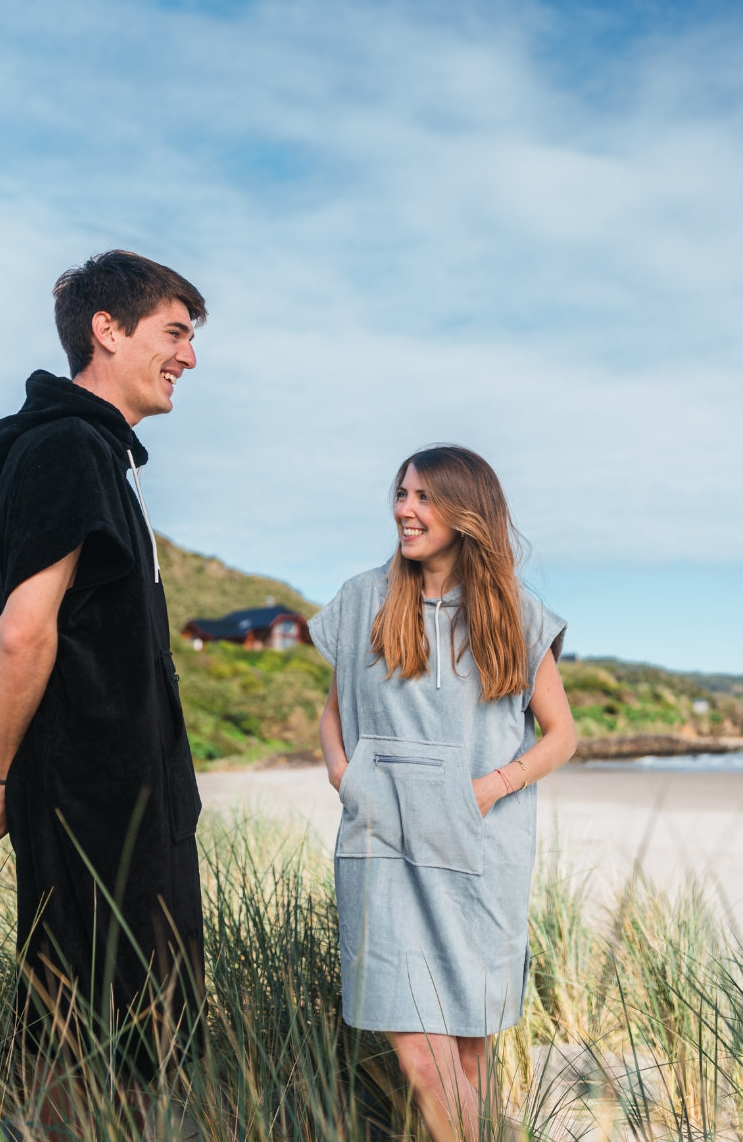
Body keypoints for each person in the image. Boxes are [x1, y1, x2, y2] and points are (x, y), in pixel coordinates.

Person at [0, 249, 207, 1096]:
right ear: (108, 329)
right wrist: (4, 776)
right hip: (97, 814)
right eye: (174, 333)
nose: (189, 357)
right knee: (98, 1056)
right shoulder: (65, 446)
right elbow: (24, 636)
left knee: (138, 1047)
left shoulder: (96, 452)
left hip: (127, 805)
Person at [311, 445, 578, 1142]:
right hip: (383, 846)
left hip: (480, 850)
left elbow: (559, 735)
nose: (405, 509)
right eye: (402, 494)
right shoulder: (361, 599)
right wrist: (348, 777)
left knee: (467, 1049)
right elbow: (333, 708)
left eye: (424, 497)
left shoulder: (516, 612)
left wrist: (491, 787)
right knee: (423, 1060)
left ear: (468, 510)